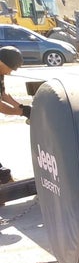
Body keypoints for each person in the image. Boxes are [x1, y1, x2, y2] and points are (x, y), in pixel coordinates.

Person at [0, 46, 30, 186]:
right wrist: (20, 113)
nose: (11, 72)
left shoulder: (1, 73)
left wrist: (22, 107)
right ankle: (4, 180)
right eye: (11, 68)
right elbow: (0, 106)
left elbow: (4, 96)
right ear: (3, 62)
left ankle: (4, 179)